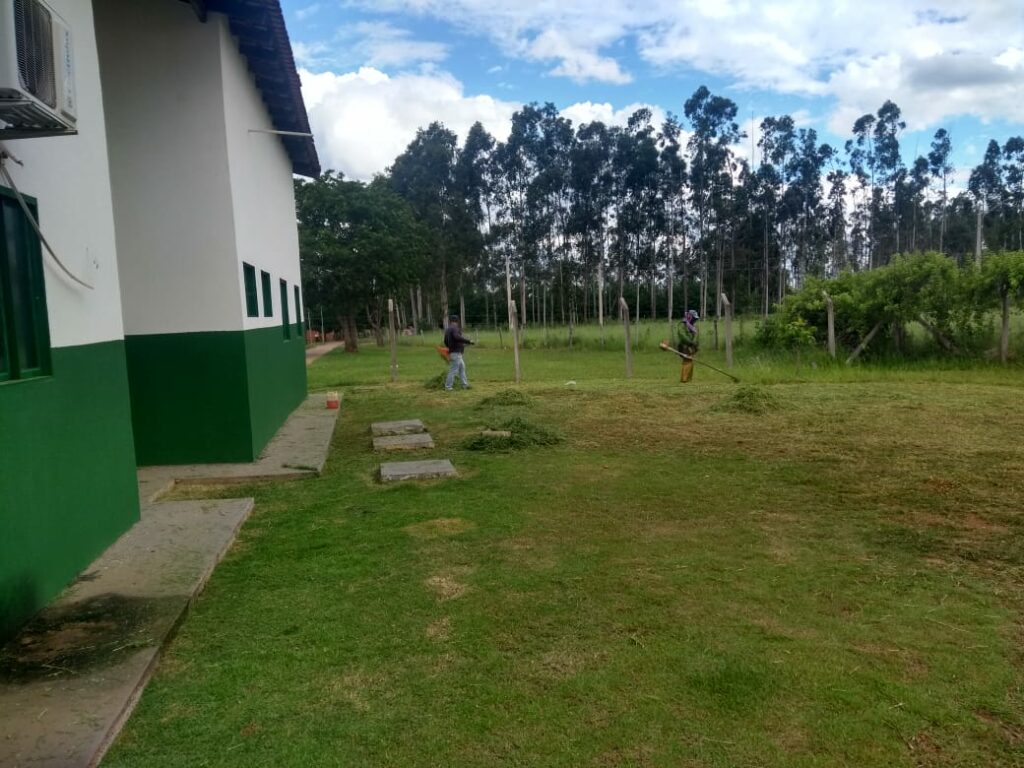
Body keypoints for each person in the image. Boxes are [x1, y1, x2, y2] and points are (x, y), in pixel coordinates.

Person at [443, 315, 474, 391]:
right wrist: (468, 341)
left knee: (462, 368)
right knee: (453, 370)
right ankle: (448, 387)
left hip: (455, 353)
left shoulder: (448, 329)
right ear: (457, 321)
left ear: (450, 321)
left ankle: (465, 385)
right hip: (455, 353)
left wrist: (450, 347)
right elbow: (457, 337)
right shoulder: (454, 328)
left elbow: (445, 341)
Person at [676, 310, 699, 383]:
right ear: (689, 317)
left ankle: (688, 379)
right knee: (687, 361)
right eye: (694, 319)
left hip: (690, 346)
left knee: (690, 361)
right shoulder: (682, 325)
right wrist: (691, 343)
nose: (695, 320)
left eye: (696, 319)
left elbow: (694, 337)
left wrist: (695, 345)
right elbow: (682, 335)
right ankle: (684, 379)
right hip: (683, 346)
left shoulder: (692, 327)